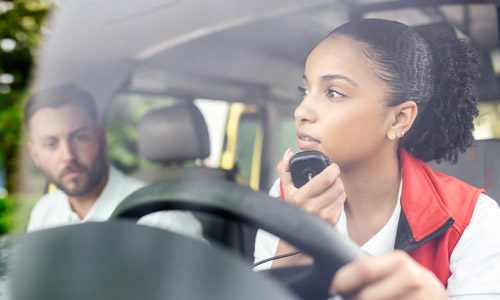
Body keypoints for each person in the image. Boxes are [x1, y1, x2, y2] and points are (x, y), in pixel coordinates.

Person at [254, 19, 500, 298]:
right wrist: (292, 243)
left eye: (333, 93)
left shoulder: (473, 220)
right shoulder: (287, 196)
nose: (301, 111)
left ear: (398, 119)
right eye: (305, 91)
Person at [24, 84, 202, 239]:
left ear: (101, 139)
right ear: (35, 156)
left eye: (79, 137)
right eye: (50, 144)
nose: (68, 155)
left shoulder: (158, 216)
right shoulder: (44, 211)